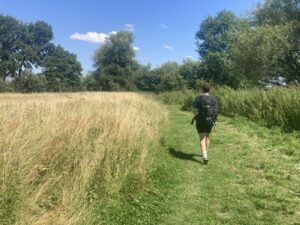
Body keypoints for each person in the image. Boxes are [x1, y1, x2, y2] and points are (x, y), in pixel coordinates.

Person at [192, 83, 218, 164]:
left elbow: (193, 109)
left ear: (202, 89)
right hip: (210, 121)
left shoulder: (198, 98)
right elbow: (216, 110)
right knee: (207, 136)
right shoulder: (213, 99)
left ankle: (204, 155)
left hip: (201, 121)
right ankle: (205, 152)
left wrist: (197, 114)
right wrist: (214, 120)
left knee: (202, 138)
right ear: (209, 89)